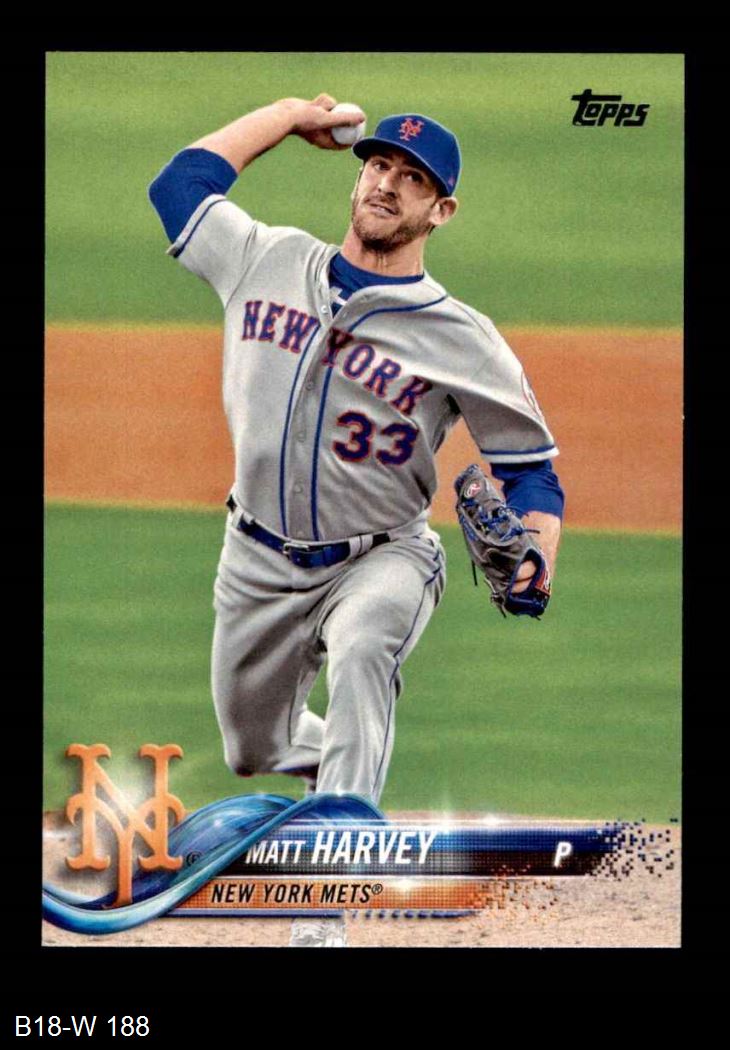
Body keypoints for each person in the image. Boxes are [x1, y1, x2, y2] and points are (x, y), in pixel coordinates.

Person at [148, 93, 565, 947]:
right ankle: (342, 773)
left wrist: (538, 556)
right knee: (253, 752)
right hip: (255, 559)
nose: (386, 184)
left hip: (384, 557)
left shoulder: (463, 337)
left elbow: (531, 473)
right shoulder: (265, 257)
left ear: (440, 212)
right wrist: (286, 115)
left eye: (413, 179)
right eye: (378, 164)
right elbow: (178, 186)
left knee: (366, 649)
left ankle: (322, 905)